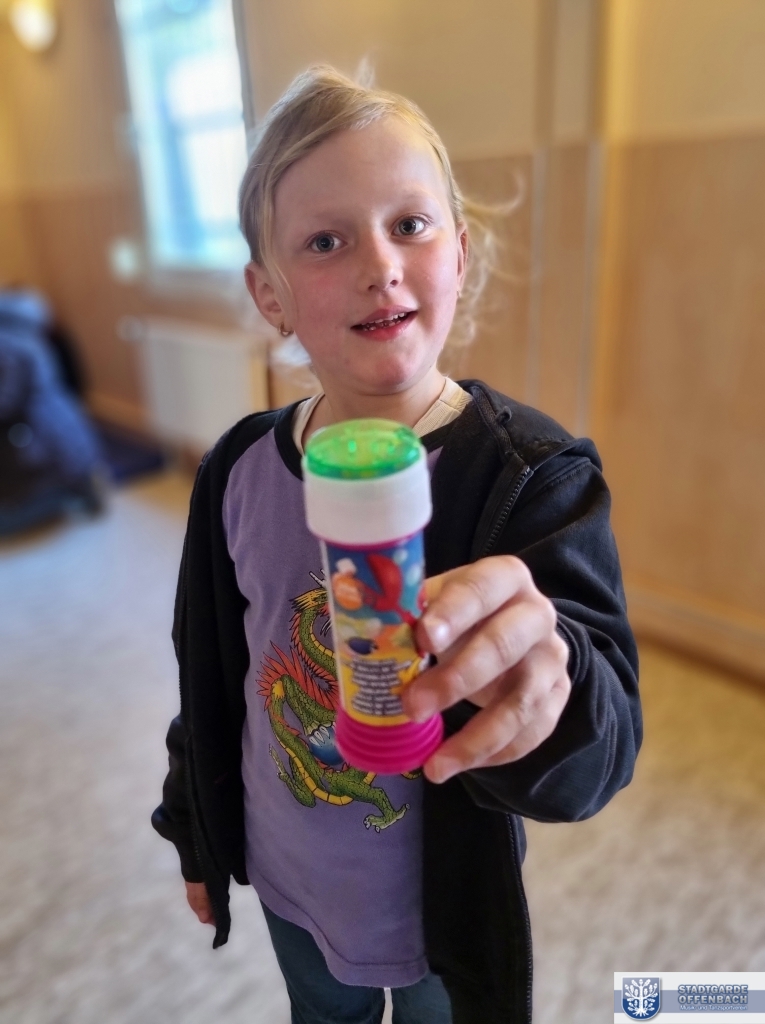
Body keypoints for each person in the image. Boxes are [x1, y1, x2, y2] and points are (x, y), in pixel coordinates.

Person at [152, 66, 641, 1024]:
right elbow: (209, 672)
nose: (379, 264)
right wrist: (193, 827)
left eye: (409, 224)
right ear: (270, 295)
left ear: (459, 254)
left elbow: (603, 740)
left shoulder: (531, 477)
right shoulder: (237, 471)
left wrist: (557, 679)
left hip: (440, 915)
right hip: (292, 884)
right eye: (326, 241)